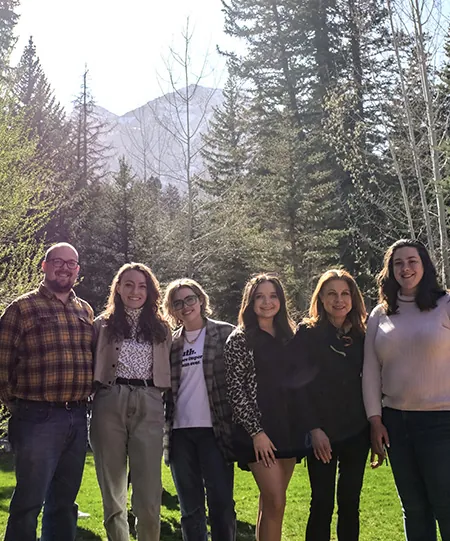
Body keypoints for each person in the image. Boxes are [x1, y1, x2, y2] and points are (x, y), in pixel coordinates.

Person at [0, 242, 94, 541]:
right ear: (44, 265)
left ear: (77, 270)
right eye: (58, 261)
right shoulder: (21, 308)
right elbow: (2, 363)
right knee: (29, 502)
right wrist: (15, 404)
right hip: (36, 416)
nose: (65, 267)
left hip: (78, 416)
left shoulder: (85, 310)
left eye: (72, 263)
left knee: (64, 503)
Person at [363, 239, 450, 541]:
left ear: (424, 265)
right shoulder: (379, 314)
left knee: (446, 506)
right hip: (395, 423)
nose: (406, 268)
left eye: (412, 261)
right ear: (390, 270)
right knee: (413, 509)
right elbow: (371, 371)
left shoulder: (446, 305)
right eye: (398, 263)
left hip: (442, 423)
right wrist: (375, 420)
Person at [89, 262, 171, 541]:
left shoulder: (162, 328)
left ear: (150, 291)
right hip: (109, 400)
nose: (135, 291)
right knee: (113, 487)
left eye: (142, 285)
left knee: (149, 490)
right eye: (129, 284)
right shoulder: (101, 325)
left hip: (150, 401)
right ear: (118, 288)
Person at [290, 269, 369, 541]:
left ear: (353, 298)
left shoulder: (363, 334)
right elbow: (298, 387)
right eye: (332, 294)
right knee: (322, 502)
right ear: (321, 299)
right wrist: (313, 429)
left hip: (357, 431)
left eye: (345, 293)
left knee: (350, 502)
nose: (339, 300)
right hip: (321, 432)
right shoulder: (307, 333)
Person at [223, 273, 299, 541]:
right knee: (276, 501)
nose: (267, 302)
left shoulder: (291, 336)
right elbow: (236, 391)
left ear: (280, 300)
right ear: (250, 302)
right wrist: (257, 432)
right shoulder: (239, 339)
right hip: (257, 432)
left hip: (287, 428)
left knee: (271, 504)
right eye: (260, 297)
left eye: (273, 296)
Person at [162, 278, 236, 541]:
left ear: (201, 300)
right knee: (190, 509)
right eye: (177, 303)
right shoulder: (169, 344)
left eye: (190, 299)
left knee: (221, 505)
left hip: (215, 432)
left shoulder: (226, 333)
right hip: (180, 433)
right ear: (172, 310)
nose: (185, 306)